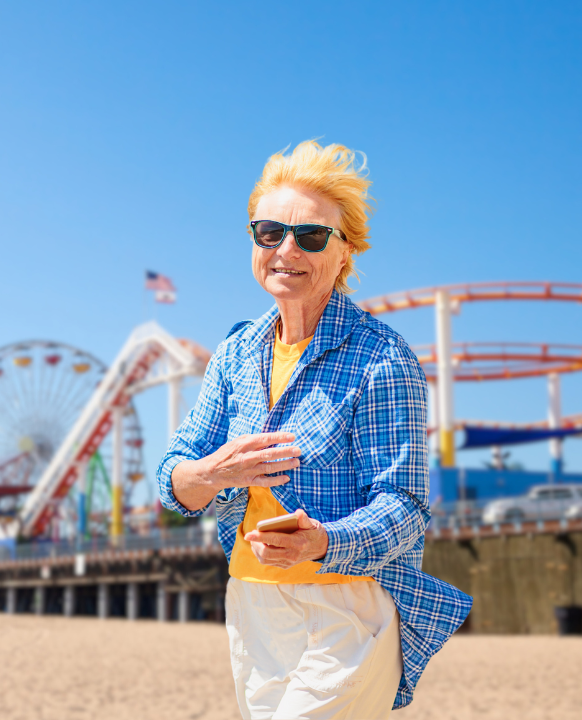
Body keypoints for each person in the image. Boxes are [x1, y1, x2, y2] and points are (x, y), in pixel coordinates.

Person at [157, 141, 471, 719]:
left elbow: (404, 507)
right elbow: (173, 477)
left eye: (311, 236)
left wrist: (323, 541)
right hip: (250, 605)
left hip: (347, 609)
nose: (286, 250)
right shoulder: (234, 354)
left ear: (345, 251)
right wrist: (211, 472)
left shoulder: (383, 358)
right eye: (269, 233)